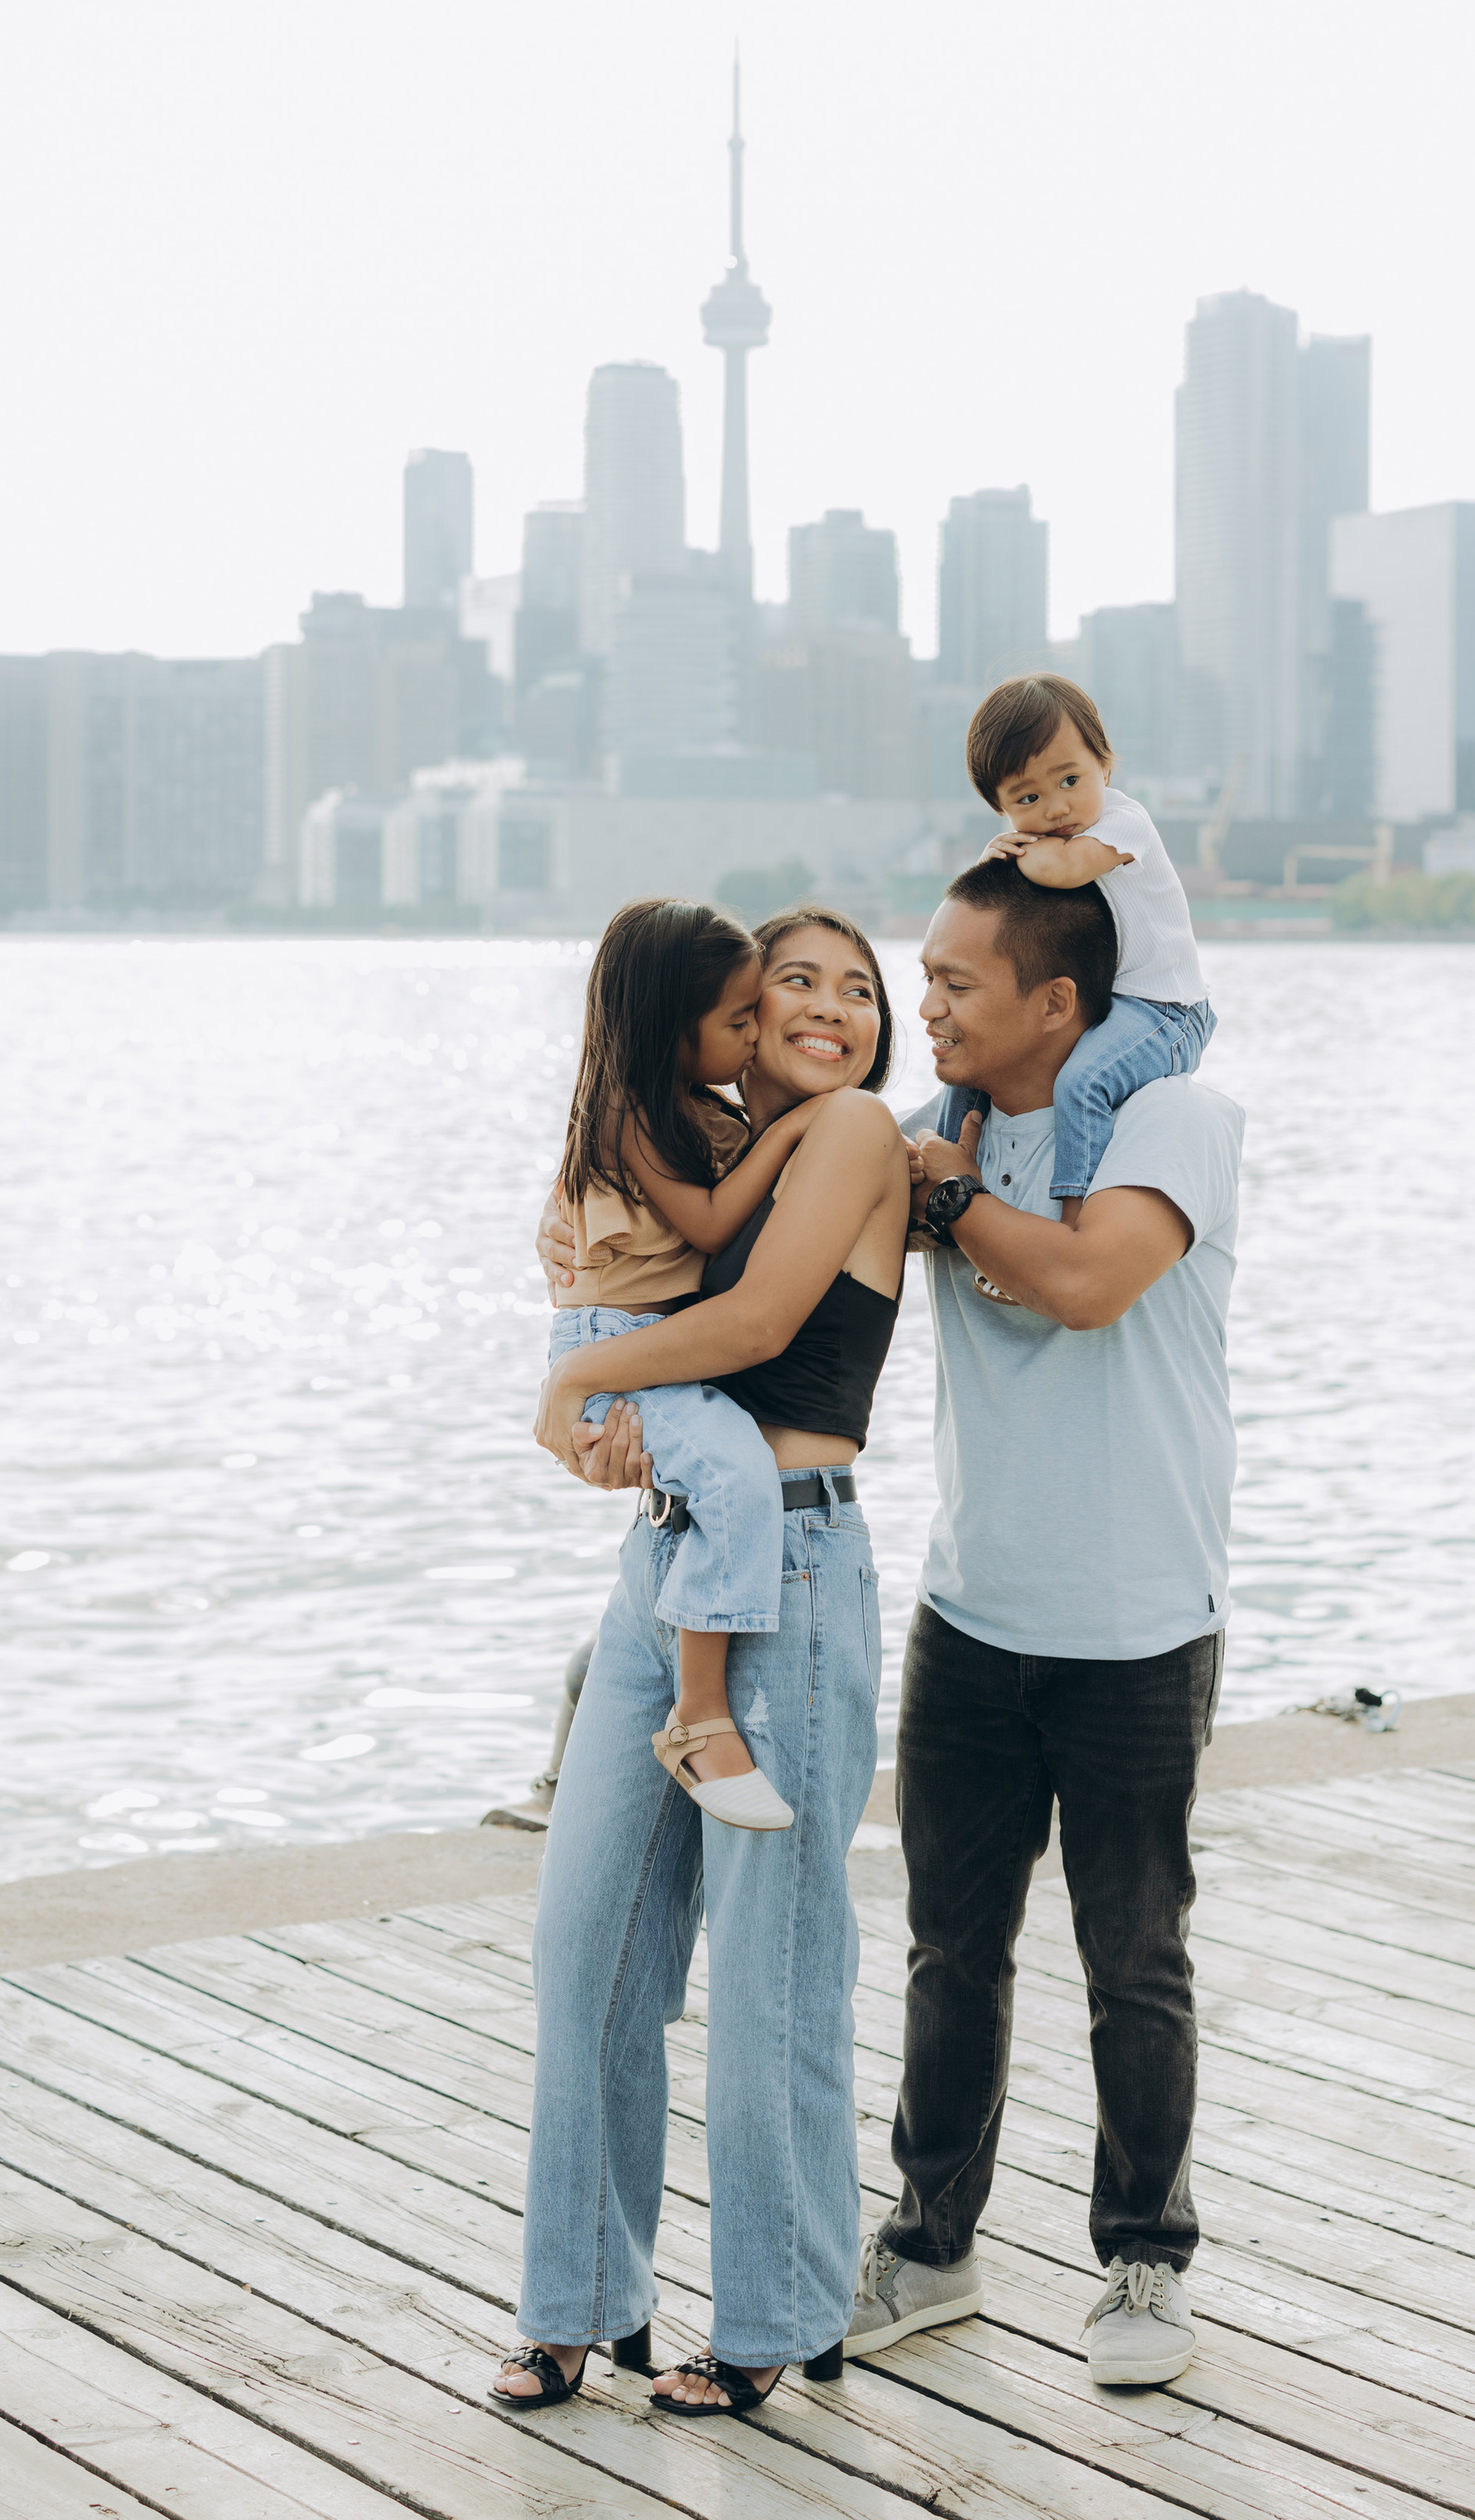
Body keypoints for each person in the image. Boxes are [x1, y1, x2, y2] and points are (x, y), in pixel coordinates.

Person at [494, 906, 910, 2426]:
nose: (825, 1007)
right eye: (788, 984)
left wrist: (577, 1375)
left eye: (859, 988)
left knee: (774, 1976)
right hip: (670, 1564)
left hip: (792, 1565)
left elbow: (755, 1322)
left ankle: (777, 2322)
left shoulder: (855, 1131)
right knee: (587, 1941)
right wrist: (609, 1425)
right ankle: (577, 2304)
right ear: (729, 1019)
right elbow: (681, 1331)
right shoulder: (735, 1152)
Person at [853, 854, 1243, 2392]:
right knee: (954, 1950)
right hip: (973, 1613)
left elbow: (1088, 1282)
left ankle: (1145, 2265)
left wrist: (944, 1198)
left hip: (1141, 1618)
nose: (923, 1001)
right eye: (923, 974)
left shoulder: (1172, 1119)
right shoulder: (928, 1133)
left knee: (1134, 1955)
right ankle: (932, 2246)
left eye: (955, 982)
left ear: (1058, 1003)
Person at [550, 896, 835, 1829]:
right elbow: (714, 1225)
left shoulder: (698, 1116)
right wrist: (792, 1134)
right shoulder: (629, 1116)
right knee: (738, 1478)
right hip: (617, 1349)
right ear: (676, 1031)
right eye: (738, 1020)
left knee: (722, 1480)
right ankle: (698, 1714)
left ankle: (687, 1697)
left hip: (650, 1350)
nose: (755, 1037)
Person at [935, 674, 1216, 1223]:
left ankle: (1070, 1218)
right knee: (970, 1067)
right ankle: (945, 1177)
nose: (1058, 807)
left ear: (1104, 765)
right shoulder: (1045, 839)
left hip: (1167, 1010)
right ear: (1002, 806)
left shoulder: (1123, 822)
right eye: (1029, 797)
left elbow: (1064, 870)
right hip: (1108, 1003)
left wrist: (1010, 853)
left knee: (1083, 1082)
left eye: (1070, 779)